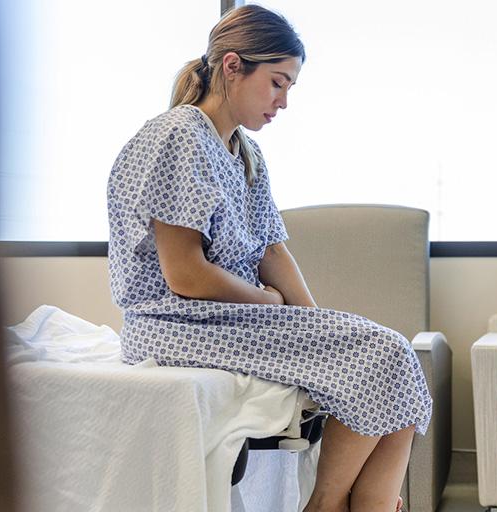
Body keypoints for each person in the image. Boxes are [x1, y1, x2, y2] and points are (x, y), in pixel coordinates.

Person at [105, 5, 431, 511]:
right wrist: (268, 302)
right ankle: (324, 505)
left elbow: (273, 249)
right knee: (385, 354)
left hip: (230, 315)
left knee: (395, 369)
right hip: (175, 321)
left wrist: (317, 324)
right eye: (278, 83)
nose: (283, 102)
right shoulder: (177, 136)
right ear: (233, 66)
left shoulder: (243, 152)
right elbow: (185, 274)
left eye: (290, 88)